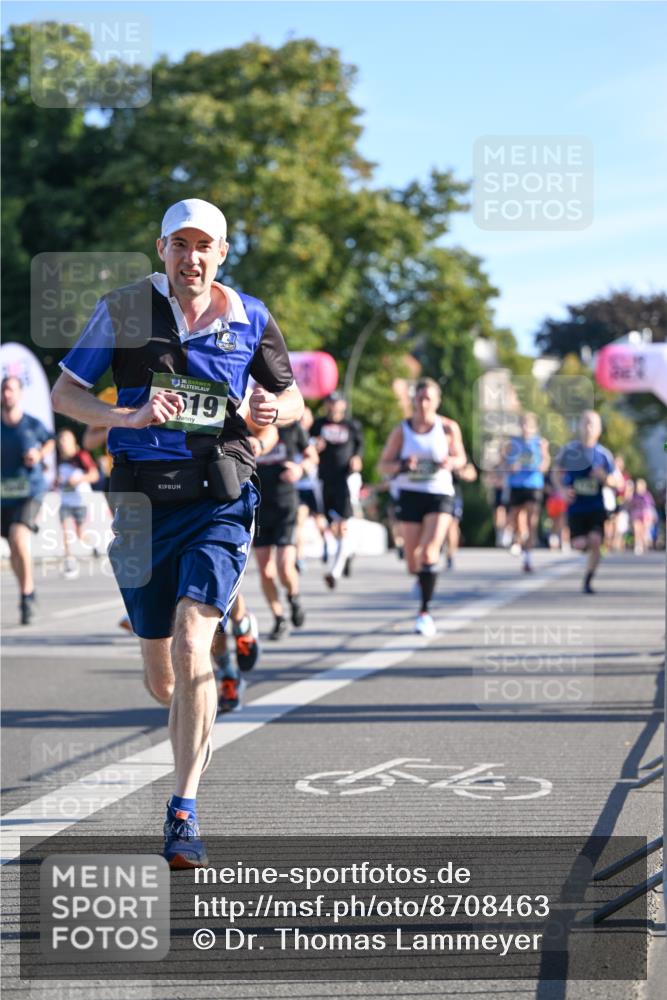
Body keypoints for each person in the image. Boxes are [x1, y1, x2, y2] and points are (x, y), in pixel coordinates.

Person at [51, 197, 304, 868]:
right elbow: (64, 393)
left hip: (219, 493)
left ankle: (183, 809)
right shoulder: (125, 309)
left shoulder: (250, 316)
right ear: (160, 249)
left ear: (221, 254)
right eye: (179, 245)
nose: (191, 257)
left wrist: (270, 409)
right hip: (140, 504)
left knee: (195, 642)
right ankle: (229, 635)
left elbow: (292, 396)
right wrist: (125, 416)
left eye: (204, 246)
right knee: (162, 676)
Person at [378, 377, 466, 636]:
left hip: (439, 493)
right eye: (419, 398)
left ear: (437, 401)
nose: (424, 403)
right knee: (412, 561)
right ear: (414, 401)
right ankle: (422, 576)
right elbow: (383, 465)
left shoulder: (448, 428)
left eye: (429, 398)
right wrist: (404, 465)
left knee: (428, 554)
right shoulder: (402, 430)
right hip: (410, 494)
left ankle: (424, 613)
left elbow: (461, 457)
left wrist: (450, 461)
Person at [253, 420, 318, 639]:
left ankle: (294, 596)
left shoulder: (290, 426)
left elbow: (312, 456)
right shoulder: (246, 424)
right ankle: (279, 617)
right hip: (259, 506)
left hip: (285, 504)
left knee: (284, 566)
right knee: (265, 570)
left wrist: (301, 468)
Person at [1, 375, 55, 624]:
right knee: (14, 548)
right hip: (4, 495)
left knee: (17, 536)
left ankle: (26, 595)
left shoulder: (32, 424)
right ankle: (27, 590)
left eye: (10, 390)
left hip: (30, 491)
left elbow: (50, 441)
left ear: (20, 394)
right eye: (3, 390)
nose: (6, 394)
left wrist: (38, 452)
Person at [554, 410, 620, 594]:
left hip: (596, 506)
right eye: (585, 422)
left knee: (596, 540)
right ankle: (585, 546)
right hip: (576, 507)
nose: (588, 427)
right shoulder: (569, 450)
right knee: (579, 544)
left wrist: (604, 477)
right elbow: (555, 473)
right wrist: (561, 490)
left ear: (599, 429)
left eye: (592, 423)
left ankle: (588, 580)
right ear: (579, 426)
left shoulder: (604, 454)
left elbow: (617, 482)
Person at [311, 393, 364, 589]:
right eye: (330, 403)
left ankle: (335, 571)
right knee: (330, 526)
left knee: (343, 525)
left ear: (343, 405)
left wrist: (357, 459)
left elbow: (359, 448)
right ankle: (347, 552)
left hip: (344, 480)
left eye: (337, 403)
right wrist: (314, 446)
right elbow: (307, 445)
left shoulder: (352, 426)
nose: (334, 407)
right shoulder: (318, 425)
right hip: (324, 479)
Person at [504, 413, 550, 573]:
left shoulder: (540, 443)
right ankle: (517, 541)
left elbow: (546, 462)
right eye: (523, 424)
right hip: (517, 483)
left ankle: (528, 557)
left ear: (534, 427)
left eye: (528, 425)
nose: (525, 428)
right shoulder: (513, 443)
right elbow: (504, 461)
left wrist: (541, 466)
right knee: (516, 517)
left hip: (533, 484)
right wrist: (511, 467)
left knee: (532, 521)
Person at [55, 428, 100, 579]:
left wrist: (78, 480)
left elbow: (94, 475)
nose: (62, 444)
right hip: (65, 501)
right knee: (66, 532)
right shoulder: (58, 460)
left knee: (81, 534)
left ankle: (95, 546)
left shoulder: (81, 456)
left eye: (65, 440)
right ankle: (70, 564)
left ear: (73, 442)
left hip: (81, 501)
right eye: (60, 441)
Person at [445, 461, 478, 570]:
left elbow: (472, 473)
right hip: (429, 493)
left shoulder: (454, 450)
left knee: (452, 525)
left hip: (452, 495)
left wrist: (460, 472)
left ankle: (450, 556)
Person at [629, 478, 657, 555]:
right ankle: (638, 544)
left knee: (644, 530)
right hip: (636, 513)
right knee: (637, 529)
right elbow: (631, 505)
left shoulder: (647, 495)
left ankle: (644, 544)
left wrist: (651, 517)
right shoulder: (634, 495)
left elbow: (650, 506)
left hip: (645, 514)